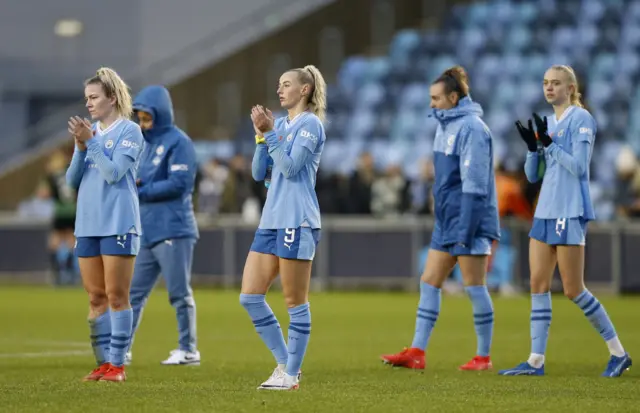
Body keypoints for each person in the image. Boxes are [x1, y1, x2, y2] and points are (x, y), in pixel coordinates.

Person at [499, 65, 632, 377]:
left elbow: (580, 168)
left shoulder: (582, 119)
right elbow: (533, 176)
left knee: (573, 289)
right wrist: (532, 150)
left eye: (556, 83)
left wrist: (549, 145)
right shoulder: (547, 122)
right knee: (537, 284)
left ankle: (618, 353)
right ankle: (535, 361)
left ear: (571, 88)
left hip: (569, 209)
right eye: (545, 83)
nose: (549, 88)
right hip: (544, 209)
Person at [380, 66, 500, 371]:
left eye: (436, 98)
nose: (431, 104)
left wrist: (466, 228)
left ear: (453, 97)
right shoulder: (443, 126)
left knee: (474, 285)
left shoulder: (473, 128)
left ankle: (483, 357)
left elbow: (474, 185)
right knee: (429, 281)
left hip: (468, 220)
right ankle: (417, 352)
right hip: (448, 220)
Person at [240, 65, 327, 390]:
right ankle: (285, 364)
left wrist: (272, 133)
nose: (280, 89)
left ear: (304, 90)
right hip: (271, 220)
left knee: (294, 300)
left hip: (296, 219)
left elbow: (290, 168)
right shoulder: (282, 126)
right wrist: (263, 135)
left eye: (286, 84)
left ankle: (291, 374)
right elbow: (259, 172)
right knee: (250, 296)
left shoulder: (310, 124)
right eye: (278, 84)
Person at [66, 67, 144, 382]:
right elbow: (72, 182)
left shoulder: (130, 131)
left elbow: (114, 174)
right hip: (87, 225)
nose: (89, 103)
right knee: (95, 297)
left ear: (112, 98)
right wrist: (81, 146)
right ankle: (102, 366)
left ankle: (117, 366)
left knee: (116, 296)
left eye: (94, 97)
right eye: (87, 98)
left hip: (118, 223)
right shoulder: (88, 134)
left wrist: (92, 144)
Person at [126, 85, 200, 366]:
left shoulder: (179, 142)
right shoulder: (142, 144)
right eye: (141, 118)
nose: (143, 124)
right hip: (147, 229)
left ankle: (188, 348)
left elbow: (180, 184)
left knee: (179, 293)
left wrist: (141, 190)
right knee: (133, 293)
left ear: (162, 115)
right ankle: (122, 348)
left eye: (148, 118)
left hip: (174, 228)